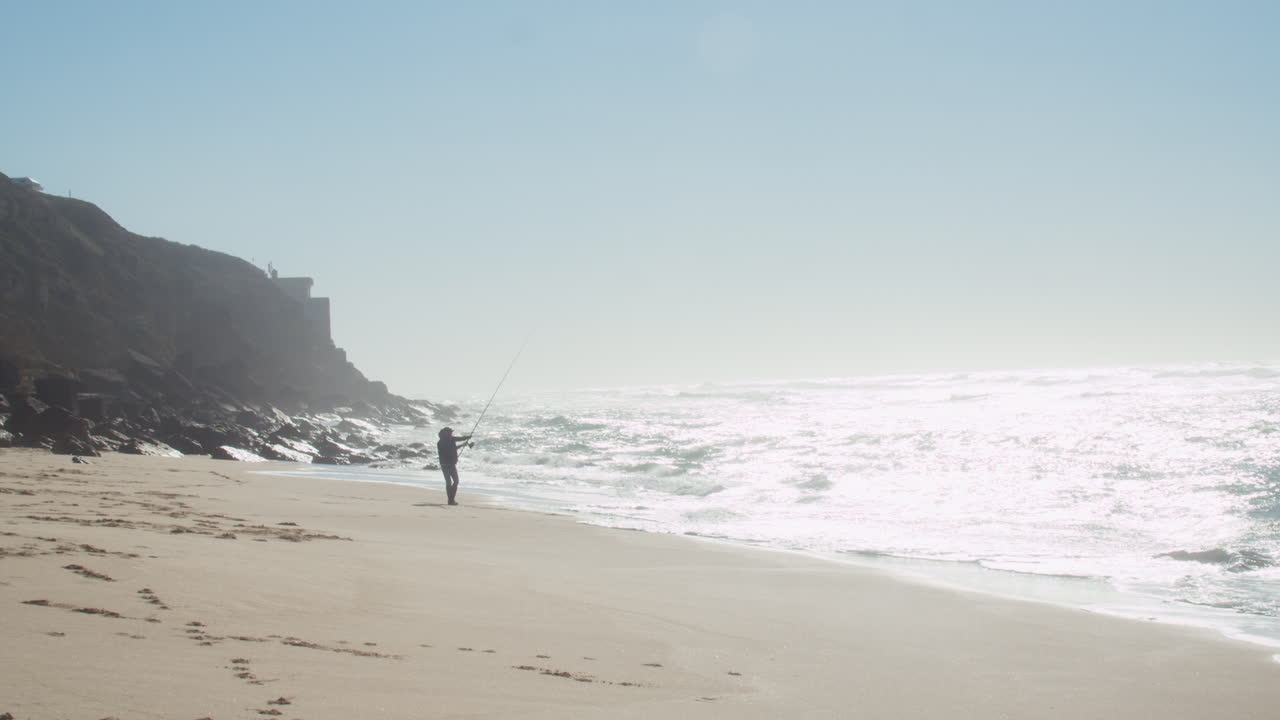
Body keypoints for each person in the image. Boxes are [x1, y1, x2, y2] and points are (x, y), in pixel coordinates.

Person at [436, 427, 473, 506]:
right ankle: (450, 500)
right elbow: (450, 449)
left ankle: (451, 500)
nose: (451, 434)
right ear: (445, 433)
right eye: (449, 432)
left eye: (451, 433)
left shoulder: (451, 439)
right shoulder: (441, 442)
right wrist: (462, 445)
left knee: (455, 482)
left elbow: (460, 439)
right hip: (445, 464)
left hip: (451, 464)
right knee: (449, 482)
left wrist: (467, 437)